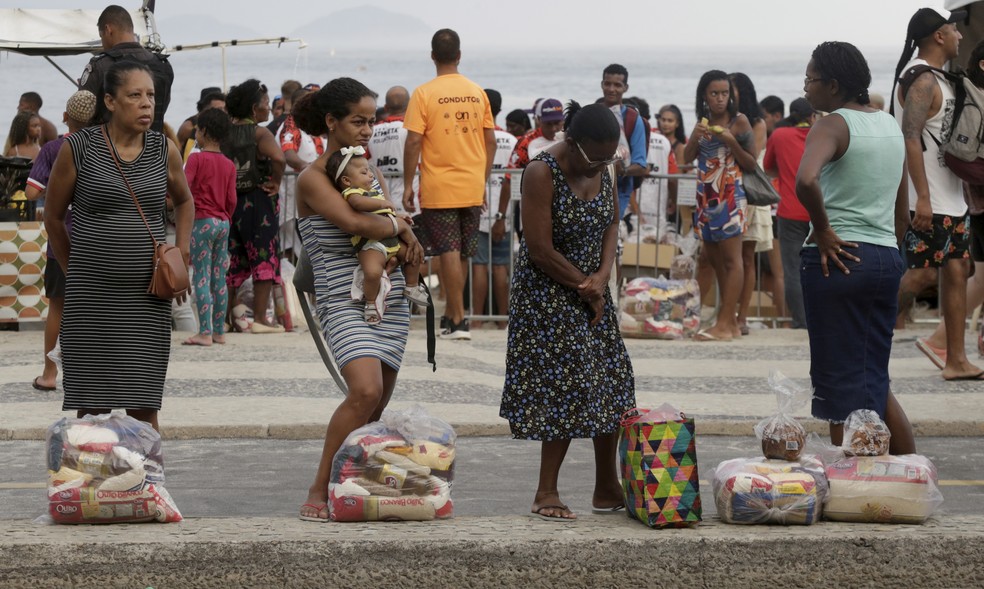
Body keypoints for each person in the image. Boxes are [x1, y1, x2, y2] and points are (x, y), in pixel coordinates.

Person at [291, 77, 425, 522]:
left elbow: (383, 229)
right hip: (340, 297)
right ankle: (318, 483)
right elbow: (362, 223)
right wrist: (402, 227)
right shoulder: (313, 177)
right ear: (331, 122)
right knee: (363, 391)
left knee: (378, 402)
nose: (367, 130)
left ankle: (355, 482)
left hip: (386, 296)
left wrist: (402, 240)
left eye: (372, 121)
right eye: (358, 121)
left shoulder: (370, 172)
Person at [500, 102, 634, 521]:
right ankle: (546, 491)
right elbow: (539, 249)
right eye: (594, 157)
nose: (600, 165)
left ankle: (606, 485)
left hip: (592, 285)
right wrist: (585, 286)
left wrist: (602, 276)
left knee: (611, 382)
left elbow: (612, 223)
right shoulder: (541, 171)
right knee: (565, 387)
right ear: (570, 142)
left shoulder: (605, 168)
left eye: (608, 158)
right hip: (548, 293)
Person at [43, 61, 194, 432]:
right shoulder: (78, 148)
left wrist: (182, 251)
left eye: (151, 96)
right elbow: (53, 217)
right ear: (110, 101)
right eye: (135, 95)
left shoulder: (164, 149)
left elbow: (185, 201)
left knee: (144, 403)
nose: (147, 104)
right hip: (90, 298)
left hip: (147, 298)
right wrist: (74, 267)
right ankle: (93, 485)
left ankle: (147, 484)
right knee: (90, 407)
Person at [795, 41, 915, 454]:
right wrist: (888, 252)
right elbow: (902, 210)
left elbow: (806, 180)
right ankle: (910, 466)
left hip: (838, 259)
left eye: (810, 78)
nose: (806, 86)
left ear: (832, 84)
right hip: (884, 258)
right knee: (871, 377)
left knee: (838, 385)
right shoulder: (888, 126)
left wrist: (824, 230)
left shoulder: (831, 125)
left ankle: (850, 481)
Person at [892, 7, 983, 380]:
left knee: (958, 269)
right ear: (939, 36)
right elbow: (910, 137)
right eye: (954, 30)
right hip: (927, 201)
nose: (961, 36)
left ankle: (956, 361)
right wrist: (923, 199)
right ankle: (861, 327)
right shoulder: (921, 81)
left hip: (952, 199)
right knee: (922, 276)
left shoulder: (943, 80)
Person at [402, 29, 496, 340]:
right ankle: (456, 316)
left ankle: (457, 319)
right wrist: (481, 179)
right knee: (463, 252)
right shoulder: (477, 92)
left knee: (448, 251)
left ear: (432, 56)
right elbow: (490, 141)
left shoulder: (423, 93)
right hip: (471, 183)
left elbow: (414, 140)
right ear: (459, 55)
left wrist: (406, 184)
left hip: (440, 184)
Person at [24, 90, 97, 392]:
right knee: (95, 310)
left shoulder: (54, 149)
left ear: (66, 117)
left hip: (62, 240)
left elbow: (30, 192)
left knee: (58, 307)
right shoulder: (103, 147)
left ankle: (50, 374)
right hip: (98, 241)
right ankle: (91, 376)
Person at [917, 39, 984, 362]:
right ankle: (939, 338)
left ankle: (941, 339)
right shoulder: (977, 98)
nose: (959, 35)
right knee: (932, 273)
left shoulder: (966, 93)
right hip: (974, 198)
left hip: (971, 199)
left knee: (976, 274)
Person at [684, 70, 758, 342]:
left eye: (724, 93)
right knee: (713, 259)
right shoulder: (702, 122)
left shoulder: (739, 122)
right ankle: (728, 323)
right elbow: (687, 158)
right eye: (714, 93)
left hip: (729, 195)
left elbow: (751, 162)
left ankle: (726, 323)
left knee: (733, 260)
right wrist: (695, 136)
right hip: (705, 197)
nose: (719, 99)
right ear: (704, 95)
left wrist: (730, 141)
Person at [326, 145, 429, 323]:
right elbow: (359, 204)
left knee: (413, 255)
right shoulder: (352, 193)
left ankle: (412, 286)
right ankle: (371, 303)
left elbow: (386, 213)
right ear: (347, 180)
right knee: (372, 273)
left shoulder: (373, 193)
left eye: (370, 171)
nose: (371, 176)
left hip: (391, 240)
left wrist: (398, 216)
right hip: (370, 244)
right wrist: (381, 204)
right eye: (364, 173)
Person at [221, 78, 287, 334]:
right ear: (252, 109)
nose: (268, 109)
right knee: (263, 255)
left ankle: (224, 319)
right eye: (265, 104)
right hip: (258, 200)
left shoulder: (224, 132)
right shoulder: (260, 133)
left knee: (234, 260)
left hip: (232, 201)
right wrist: (276, 182)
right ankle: (260, 318)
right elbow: (278, 158)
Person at [182, 108, 237, 347]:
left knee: (201, 277)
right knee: (219, 278)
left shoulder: (196, 158)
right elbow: (232, 199)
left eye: (197, 130)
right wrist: (225, 216)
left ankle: (204, 332)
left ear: (203, 131)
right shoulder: (228, 164)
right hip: (223, 222)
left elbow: (185, 188)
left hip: (202, 221)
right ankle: (219, 332)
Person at [78, 5, 173, 133]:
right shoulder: (163, 65)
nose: (102, 43)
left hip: (108, 149)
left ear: (108, 29)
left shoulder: (100, 65)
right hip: (153, 148)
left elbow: (82, 114)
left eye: (101, 36)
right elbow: (161, 109)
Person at [765, 97, 816, 329]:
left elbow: (768, 168)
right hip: (821, 211)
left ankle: (800, 320)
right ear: (812, 116)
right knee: (822, 266)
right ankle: (820, 317)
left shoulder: (779, 136)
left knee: (793, 270)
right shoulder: (822, 135)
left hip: (790, 211)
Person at [730, 72, 775, 335]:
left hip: (749, 194)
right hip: (728, 193)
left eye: (731, 91)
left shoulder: (757, 123)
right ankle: (726, 312)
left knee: (746, 257)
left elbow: (752, 156)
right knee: (724, 258)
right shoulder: (727, 121)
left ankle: (742, 316)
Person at [472, 88, 518, 329]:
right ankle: (503, 322)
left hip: (479, 208)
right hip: (505, 211)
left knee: (479, 266)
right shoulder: (512, 140)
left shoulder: (476, 137)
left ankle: (477, 320)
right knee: (501, 267)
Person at [277, 87, 326, 259]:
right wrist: (309, 168)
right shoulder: (292, 126)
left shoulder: (312, 127)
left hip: (312, 200)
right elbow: (289, 154)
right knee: (299, 253)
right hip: (292, 204)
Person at [600, 64, 648, 218]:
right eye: (608, 84)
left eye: (617, 85)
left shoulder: (633, 120)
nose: (611, 89)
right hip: (589, 190)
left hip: (619, 193)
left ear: (626, 88)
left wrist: (623, 170)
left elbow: (640, 165)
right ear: (602, 84)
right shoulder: (592, 115)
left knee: (609, 236)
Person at [368, 86, 416, 214]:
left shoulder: (370, 131)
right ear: (410, 105)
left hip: (381, 196)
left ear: (386, 107)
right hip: (412, 195)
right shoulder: (414, 131)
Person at [177, 86, 225, 161]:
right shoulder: (188, 127)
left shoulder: (224, 125)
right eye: (218, 109)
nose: (222, 113)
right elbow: (176, 150)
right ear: (204, 108)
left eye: (224, 109)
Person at [657, 104, 688, 171]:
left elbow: (679, 172)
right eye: (663, 120)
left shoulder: (679, 147)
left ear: (677, 123)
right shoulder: (655, 139)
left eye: (670, 121)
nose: (666, 124)